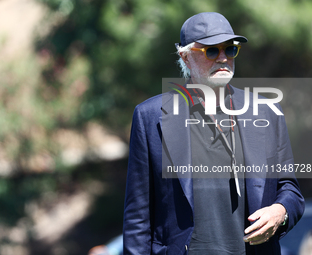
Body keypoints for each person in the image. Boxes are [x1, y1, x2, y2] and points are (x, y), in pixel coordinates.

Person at [123, 12, 305, 255]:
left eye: (230, 50)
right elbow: (137, 219)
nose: (223, 58)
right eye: (211, 51)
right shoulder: (150, 116)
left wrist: (280, 212)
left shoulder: (267, 111)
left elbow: (290, 190)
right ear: (185, 58)